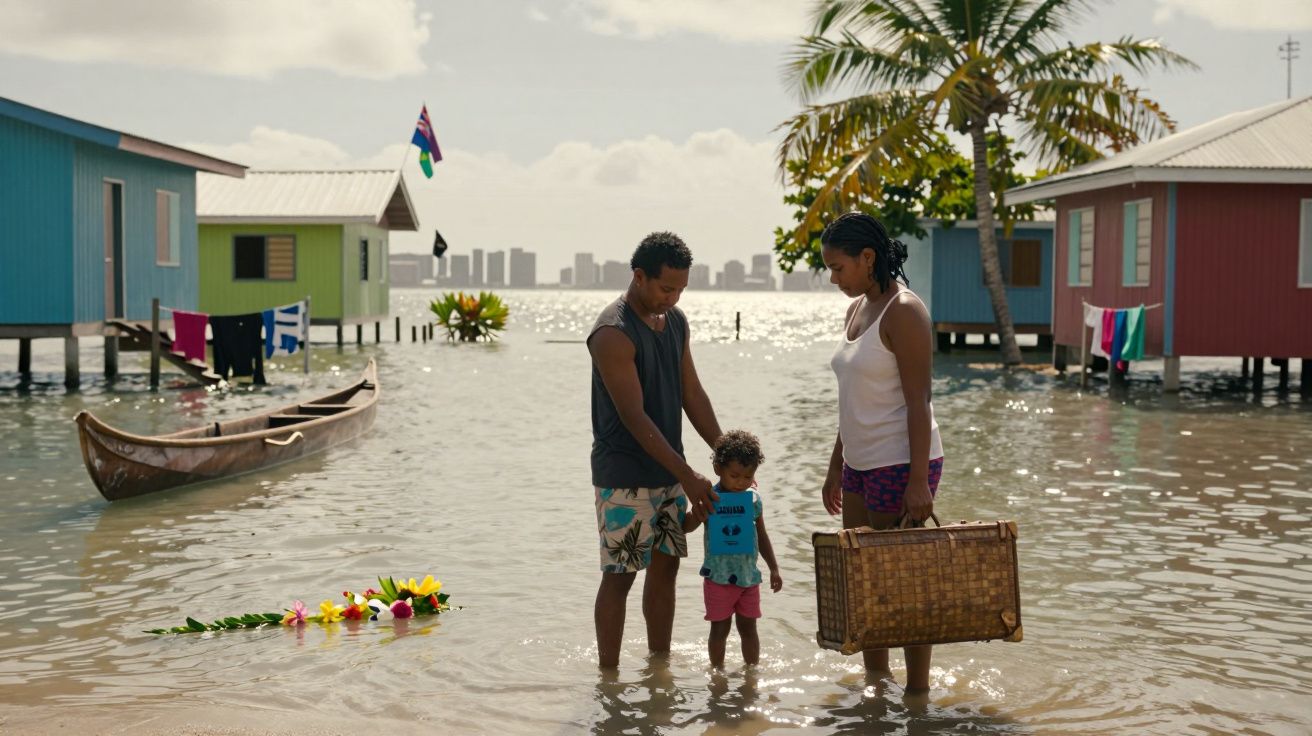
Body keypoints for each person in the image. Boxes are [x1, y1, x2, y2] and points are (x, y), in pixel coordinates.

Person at [820, 211, 945, 693]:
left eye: (838, 267)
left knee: (904, 581)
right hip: (860, 462)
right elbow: (852, 400)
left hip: (902, 461)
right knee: (862, 575)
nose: (833, 278)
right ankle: (877, 684)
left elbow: (920, 401)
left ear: (867, 258)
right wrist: (836, 466)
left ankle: (916, 694)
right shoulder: (856, 309)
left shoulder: (905, 311)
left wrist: (918, 481)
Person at [589, 231, 723, 670]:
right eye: (667, 288)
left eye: (681, 289)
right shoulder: (613, 331)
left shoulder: (676, 321)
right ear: (640, 277)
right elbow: (633, 416)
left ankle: (657, 670)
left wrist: (723, 452)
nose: (674, 297)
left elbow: (693, 393)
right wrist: (687, 473)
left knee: (666, 570)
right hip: (624, 475)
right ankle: (608, 680)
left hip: (669, 470)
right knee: (621, 576)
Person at [683, 430, 782, 669]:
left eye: (748, 476)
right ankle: (717, 675)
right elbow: (686, 526)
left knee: (749, 628)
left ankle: (752, 675)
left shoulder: (754, 500)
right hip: (718, 578)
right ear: (718, 468)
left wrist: (774, 568)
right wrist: (698, 514)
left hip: (749, 577)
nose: (741, 482)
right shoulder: (710, 497)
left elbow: (762, 535)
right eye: (734, 475)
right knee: (720, 629)